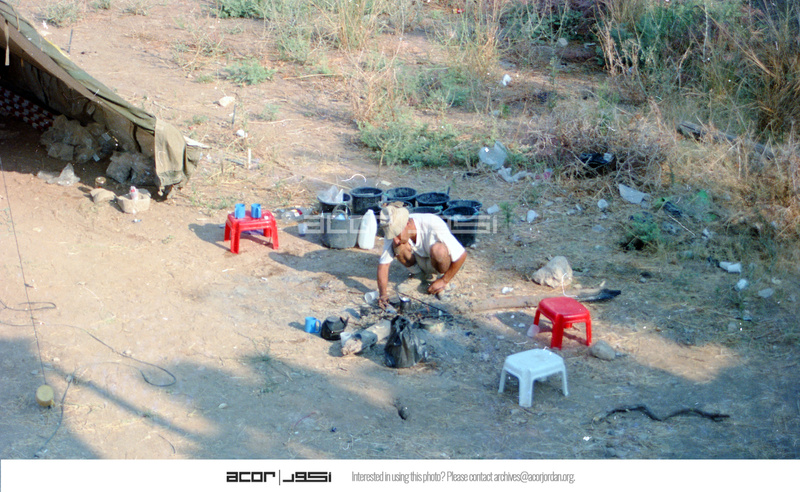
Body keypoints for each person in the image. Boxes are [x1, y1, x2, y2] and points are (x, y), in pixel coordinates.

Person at [376, 202, 467, 307]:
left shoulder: (433, 224)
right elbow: (384, 264)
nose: (395, 239)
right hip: (419, 260)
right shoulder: (393, 228)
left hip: (439, 261)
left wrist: (444, 280)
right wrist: (383, 295)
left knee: (439, 250)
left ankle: (441, 280)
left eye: (397, 234)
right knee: (398, 246)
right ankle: (418, 274)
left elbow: (462, 254)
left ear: (407, 224)